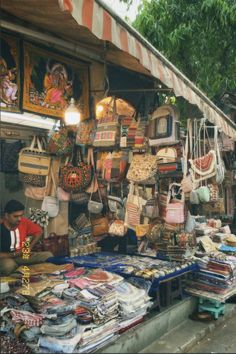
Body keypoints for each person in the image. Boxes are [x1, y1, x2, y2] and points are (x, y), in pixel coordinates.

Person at [0, 200, 53, 276]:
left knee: (48, 255)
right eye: (15, 216)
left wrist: (29, 247)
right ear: (6, 216)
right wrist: (15, 254)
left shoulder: (23, 221)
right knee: (8, 266)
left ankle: (19, 269)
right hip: (6, 258)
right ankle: (18, 270)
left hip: (23, 255)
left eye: (21, 215)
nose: (19, 219)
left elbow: (39, 231)